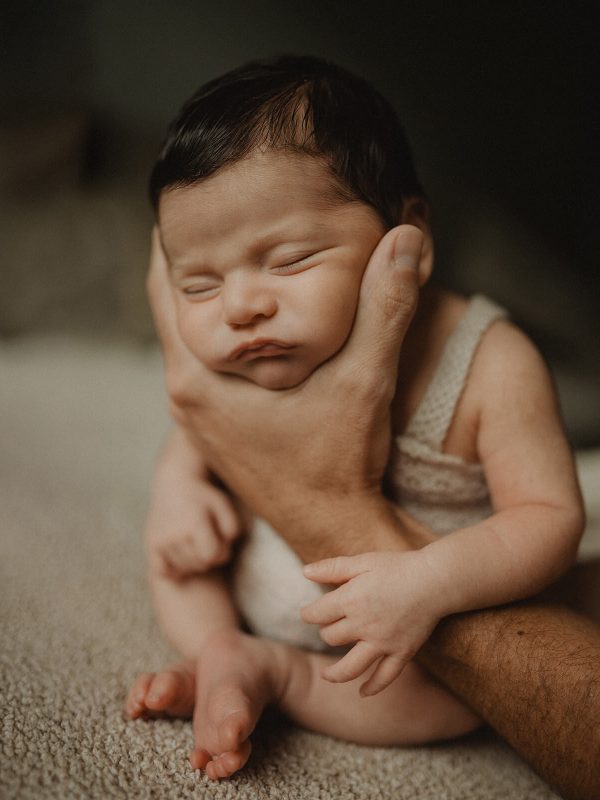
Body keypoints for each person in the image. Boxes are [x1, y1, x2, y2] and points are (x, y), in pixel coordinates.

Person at [123, 56, 592, 791]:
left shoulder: (489, 363)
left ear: (409, 235)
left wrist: (429, 584)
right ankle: (217, 645)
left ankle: (281, 676)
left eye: (290, 260)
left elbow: (551, 519)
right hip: (253, 579)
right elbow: (205, 429)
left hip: (402, 639)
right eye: (200, 284)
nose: (240, 307)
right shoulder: (254, 351)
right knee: (173, 559)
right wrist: (177, 490)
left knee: (457, 705)